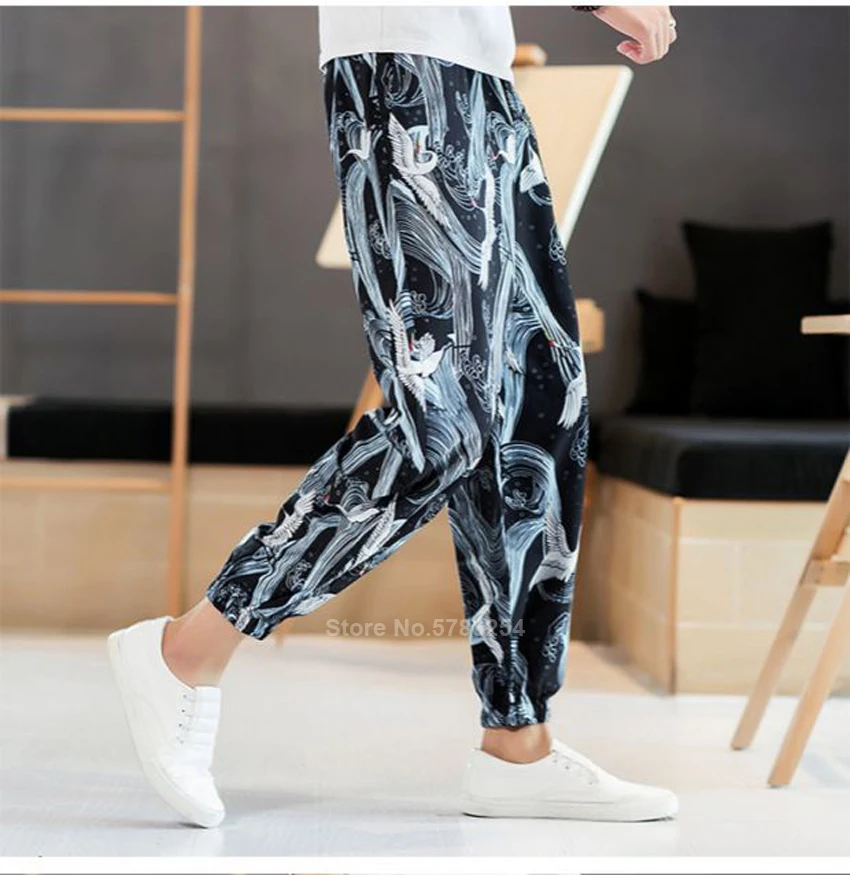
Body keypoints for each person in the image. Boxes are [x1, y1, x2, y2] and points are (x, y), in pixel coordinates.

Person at [107, 4, 679, 829]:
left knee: (539, 406)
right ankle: (188, 648)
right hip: (402, 64)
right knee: (439, 425)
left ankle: (517, 742)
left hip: (480, 75)